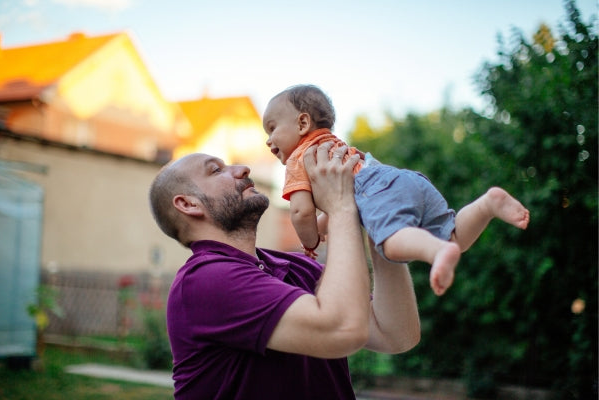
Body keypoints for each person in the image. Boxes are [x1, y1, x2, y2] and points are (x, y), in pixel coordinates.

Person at [148, 143, 421, 400]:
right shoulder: (205, 279)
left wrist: (380, 218)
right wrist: (339, 205)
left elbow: (396, 334)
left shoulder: (295, 266)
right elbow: (342, 330)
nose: (242, 169)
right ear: (189, 204)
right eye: (216, 170)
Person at [263, 84, 530, 296]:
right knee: (454, 239)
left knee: (390, 246)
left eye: (272, 128)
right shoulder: (334, 148)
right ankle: (487, 205)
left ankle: (436, 251)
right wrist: (322, 229)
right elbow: (342, 205)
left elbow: (300, 212)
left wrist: (309, 242)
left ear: (302, 124)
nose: (268, 140)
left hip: (376, 190)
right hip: (401, 179)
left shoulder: (300, 159)